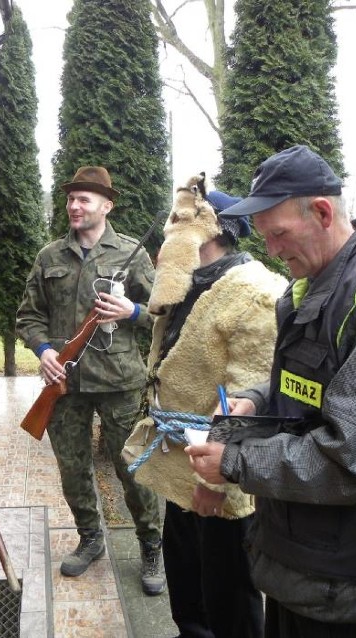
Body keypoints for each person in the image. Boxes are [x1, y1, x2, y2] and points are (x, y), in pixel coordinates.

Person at [186, 145, 356, 638]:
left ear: (322, 212)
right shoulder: (319, 279)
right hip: (302, 546)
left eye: (279, 234)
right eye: (265, 238)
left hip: (339, 561)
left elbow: (353, 459)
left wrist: (233, 463)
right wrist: (260, 398)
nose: (273, 251)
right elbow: (316, 384)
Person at [126, 177, 288, 637]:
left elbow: (249, 395)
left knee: (229, 594)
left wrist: (214, 484)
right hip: (183, 462)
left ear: (209, 230)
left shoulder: (254, 291)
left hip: (223, 476)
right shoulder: (191, 285)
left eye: (175, 223)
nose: (165, 235)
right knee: (188, 587)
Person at [16, 166, 164, 595]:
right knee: (73, 468)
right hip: (65, 385)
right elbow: (29, 316)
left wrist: (130, 312)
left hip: (119, 382)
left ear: (106, 205)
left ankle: (151, 545)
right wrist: (44, 351)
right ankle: (91, 537)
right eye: (71, 199)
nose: (75, 206)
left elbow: (162, 311)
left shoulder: (132, 254)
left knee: (133, 469)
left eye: (84, 199)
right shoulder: (50, 257)